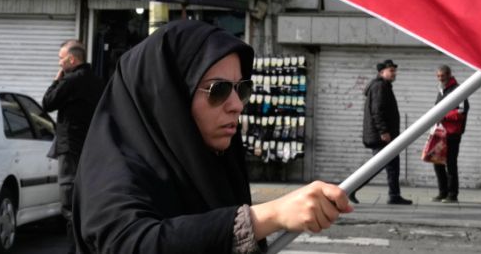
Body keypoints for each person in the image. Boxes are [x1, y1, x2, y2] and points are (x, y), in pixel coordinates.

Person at [73, 20, 352, 253]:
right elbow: (128, 243)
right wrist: (268, 216)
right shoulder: (114, 169)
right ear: (169, 99)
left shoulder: (213, 161)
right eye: (218, 90)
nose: (236, 105)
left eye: (241, 89)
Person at [42, 40, 105, 254]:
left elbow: (47, 103)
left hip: (70, 149)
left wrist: (56, 81)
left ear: (72, 59)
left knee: (69, 205)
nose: (59, 64)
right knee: (88, 201)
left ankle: (75, 248)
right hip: (92, 149)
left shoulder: (71, 81)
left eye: (61, 59)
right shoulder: (98, 82)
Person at [351, 59, 412, 206]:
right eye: (391, 70)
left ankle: (394, 195)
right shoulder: (380, 87)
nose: (394, 73)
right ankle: (350, 188)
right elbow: (377, 111)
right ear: (381, 72)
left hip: (385, 135)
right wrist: (384, 131)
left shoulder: (383, 86)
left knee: (392, 165)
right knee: (375, 166)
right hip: (382, 136)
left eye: (394, 70)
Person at [432, 65, 469, 203]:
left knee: (450, 163)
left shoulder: (458, 90)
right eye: (438, 76)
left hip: (453, 133)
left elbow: (461, 111)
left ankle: (452, 194)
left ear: (449, 75)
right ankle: (442, 192)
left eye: (442, 75)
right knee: (437, 162)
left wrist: (443, 116)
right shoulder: (441, 90)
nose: (440, 78)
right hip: (440, 132)